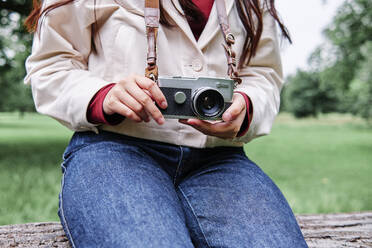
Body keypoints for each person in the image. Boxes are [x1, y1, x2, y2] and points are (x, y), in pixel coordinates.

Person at [25, 0, 308, 247]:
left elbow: (263, 73)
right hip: (114, 147)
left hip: (219, 156)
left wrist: (246, 107)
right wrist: (104, 96)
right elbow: (51, 66)